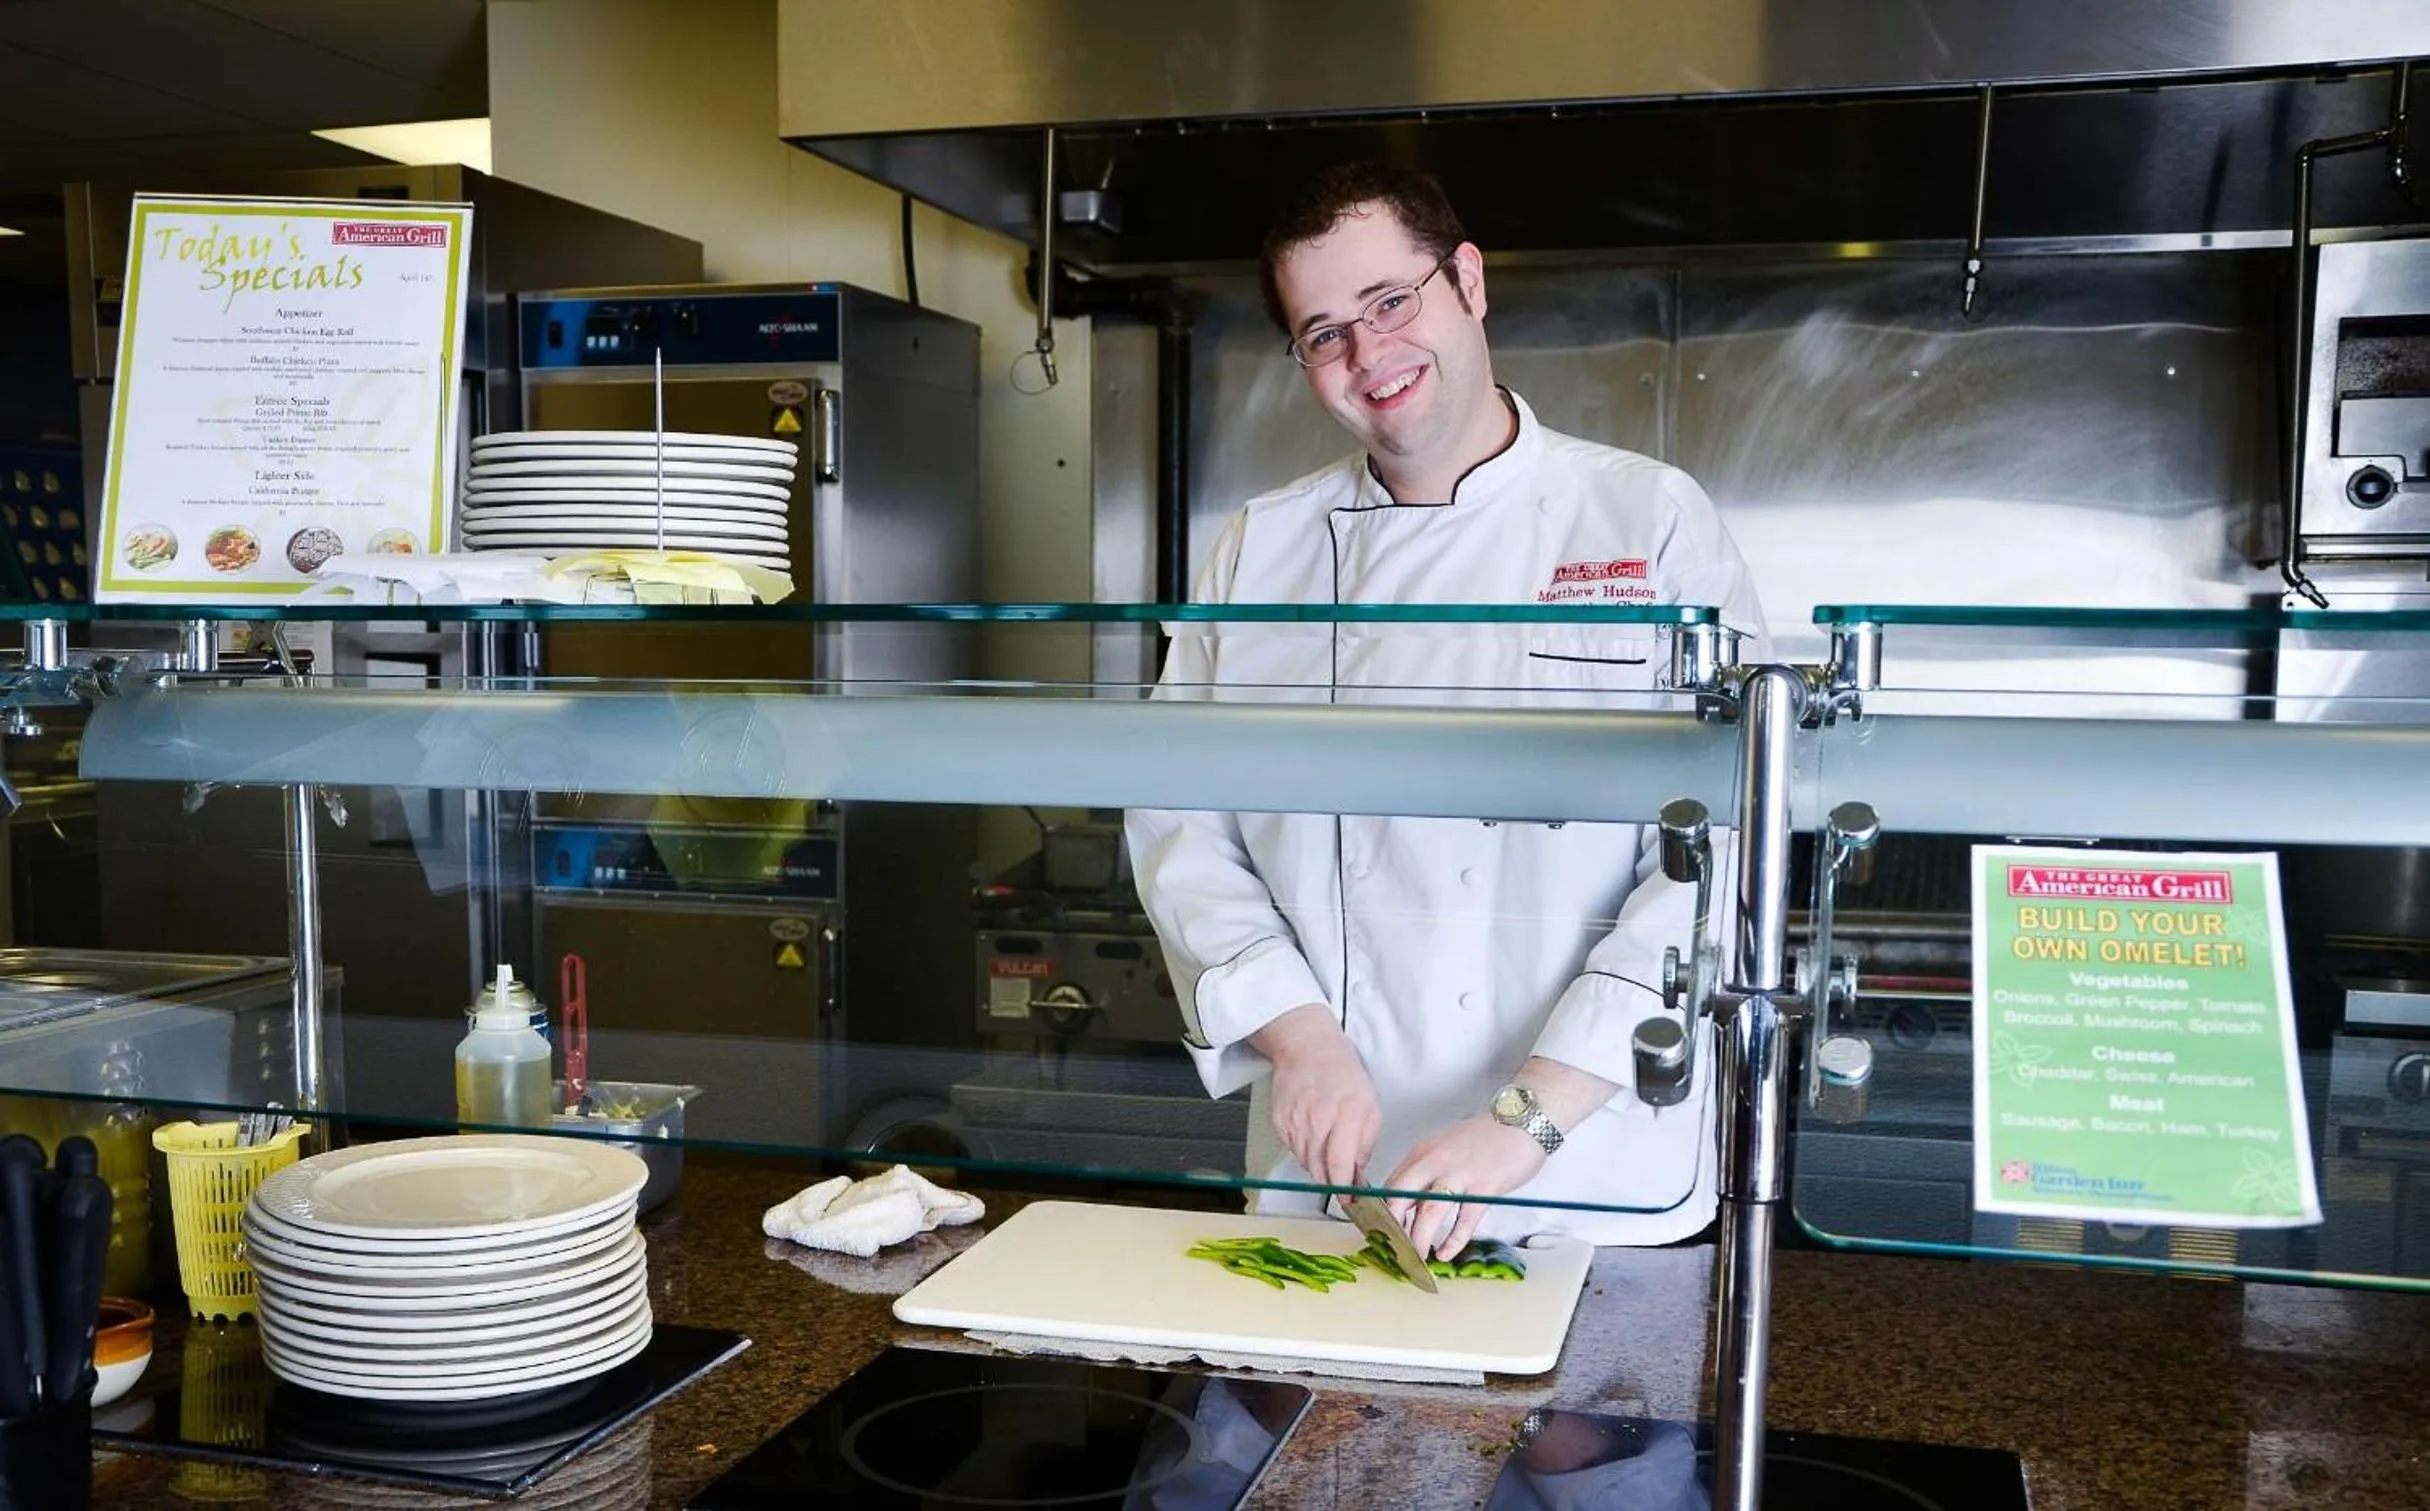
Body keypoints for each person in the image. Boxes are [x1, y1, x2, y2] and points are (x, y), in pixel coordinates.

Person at [1125, 163, 1768, 1257]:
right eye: (1323, 331)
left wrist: (1532, 1113)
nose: (1370, 354)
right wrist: (1301, 1037)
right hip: (1334, 1159)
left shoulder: (1647, 515)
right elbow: (1177, 813)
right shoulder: (1261, 546)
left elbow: (1725, 839)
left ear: (1467, 282)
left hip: (1588, 1168)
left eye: (1391, 301)